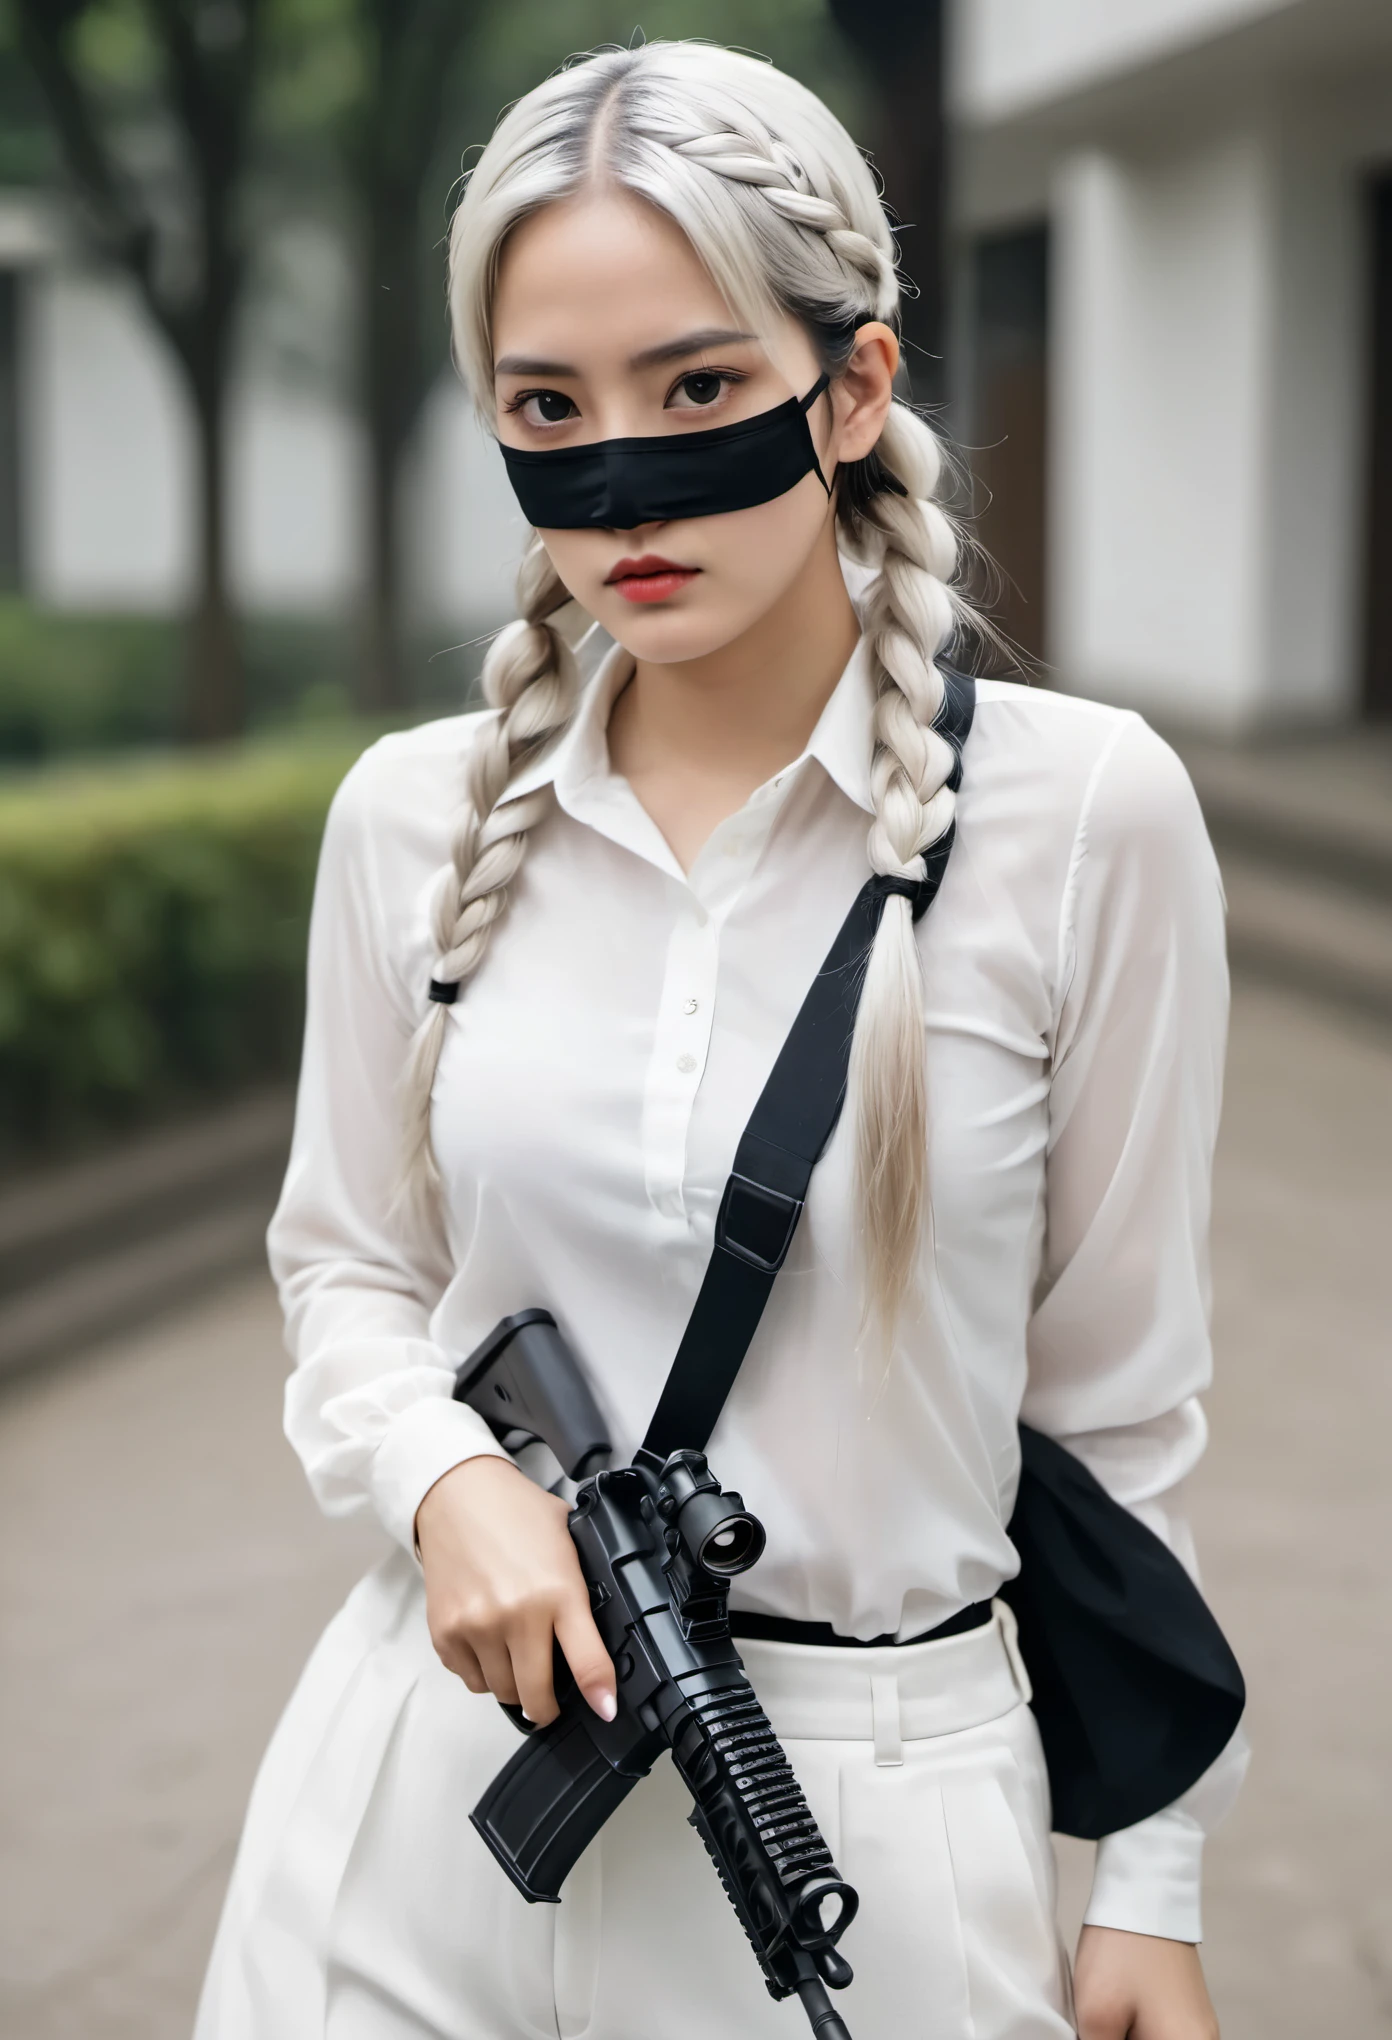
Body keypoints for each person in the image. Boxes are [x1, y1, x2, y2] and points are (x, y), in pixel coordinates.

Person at [195, 40, 1247, 2040]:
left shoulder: (1088, 818)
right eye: (546, 409)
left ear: (855, 385)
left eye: (695, 392)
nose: (623, 485)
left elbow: (1124, 1416)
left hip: (862, 1817)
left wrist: (1156, 1881)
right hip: (428, 1792)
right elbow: (347, 1266)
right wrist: (445, 1480)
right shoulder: (413, 822)